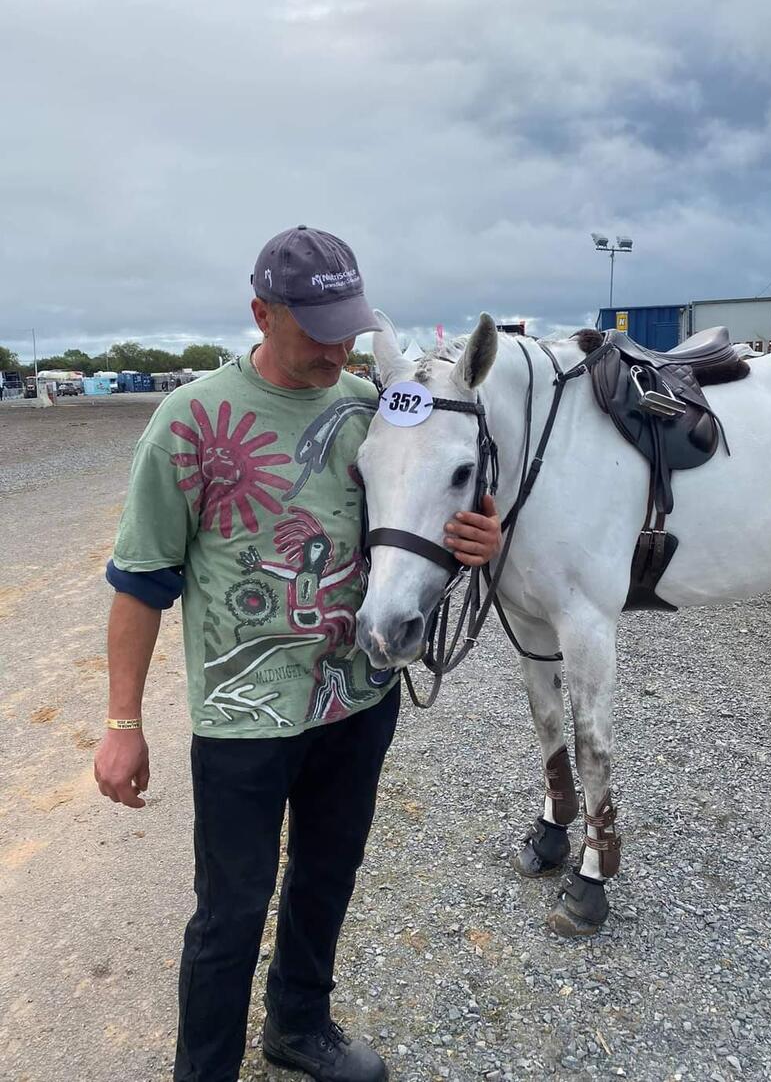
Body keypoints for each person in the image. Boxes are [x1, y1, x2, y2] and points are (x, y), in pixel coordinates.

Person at [94, 226, 501, 1082]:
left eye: (346, 326)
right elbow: (140, 581)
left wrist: (476, 532)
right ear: (259, 312)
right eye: (315, 327)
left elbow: (435, 486)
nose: (337, 346)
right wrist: (122, 720)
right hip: (245, 721)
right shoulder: (191, 419)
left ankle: (298, 1025)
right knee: (231, 911)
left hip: (357, 702)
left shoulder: (374, 405)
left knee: (327, 874)